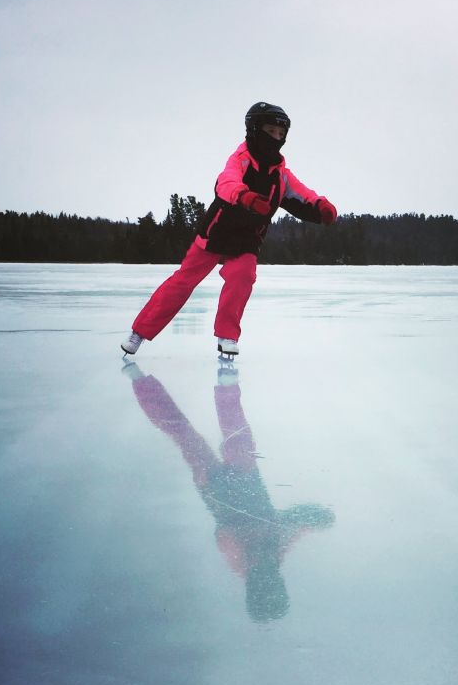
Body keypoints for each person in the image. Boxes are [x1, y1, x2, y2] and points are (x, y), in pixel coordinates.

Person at [120, 101, 337, 360]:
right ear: (255, 130)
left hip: (247, 239)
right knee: (182, 282)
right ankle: (139, 332)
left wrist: (321, 206)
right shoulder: (240, 160)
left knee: (243, 277)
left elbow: (302, 194)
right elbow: (226, 183)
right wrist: (244, 196)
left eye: (281, 134)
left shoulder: (281, 175)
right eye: (271, 131)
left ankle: (227, 336)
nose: (276, 138)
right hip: (216, 232)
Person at [125, 363, 335, 621]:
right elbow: (297, 524)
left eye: (263, 580)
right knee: (238, 440)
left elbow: (222, 535)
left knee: (185, 435)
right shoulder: (275, 554)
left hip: (216, 491)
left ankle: (139, 381)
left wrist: (254, 537)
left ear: (253, 584)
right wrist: (317, 519)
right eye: (272, 580)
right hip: (246, 482)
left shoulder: (241, 561)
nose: (265, 572)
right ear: (277, 580)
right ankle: (227, 383)